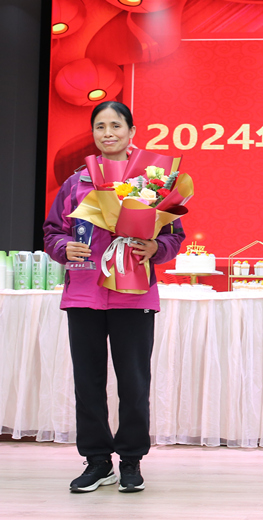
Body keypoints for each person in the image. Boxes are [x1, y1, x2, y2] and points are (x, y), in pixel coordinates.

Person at [43, 101, 185, 493]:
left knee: (134, 384)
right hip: (84, 293)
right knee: (88, 383)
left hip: (134, 295)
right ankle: (97, 461)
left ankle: (132, 460)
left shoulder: (153, 181)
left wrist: (155, 248)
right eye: (101, 126)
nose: (108, 133)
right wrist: (64, 248)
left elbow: (174, 235)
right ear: (93, 133)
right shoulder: (76, 182)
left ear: (131, 131)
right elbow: (53, 231)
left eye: (116, 126)